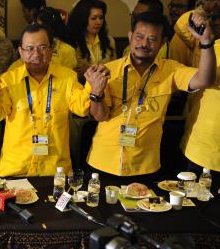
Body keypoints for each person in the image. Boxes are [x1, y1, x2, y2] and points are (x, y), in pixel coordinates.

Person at [84, 11, 216, 177]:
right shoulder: (108, 70)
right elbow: (100, 116)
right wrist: (96, 93)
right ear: (130, 37)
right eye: (139, 37)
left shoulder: (171, 70)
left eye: (152, 39)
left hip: (145, 167)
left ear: (162, 43)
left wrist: (206, 42)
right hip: (103, 163)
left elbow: (205, 80)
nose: (144, 43)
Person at [0, 24, 89, 176]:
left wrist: (93, 85)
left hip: (55, 170)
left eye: (42, 47)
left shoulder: (68, 78)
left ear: (51, 50)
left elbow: (82, 108)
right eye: (29, 48)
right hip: (16, 169)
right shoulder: (9, 80)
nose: (36, 54)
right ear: (20, 52)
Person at [179, 0, 220, 178]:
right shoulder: (207, 45)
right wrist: (203, 9)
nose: (214, 22)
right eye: (212, 18)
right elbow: (182, 27)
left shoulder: (208, 45)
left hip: (211, 145)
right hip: (200, 142)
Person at [9, 7, 77, 70]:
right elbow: (15, 69)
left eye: (37, 25)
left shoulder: (67, 51)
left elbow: (67, 76)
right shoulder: (27, 46)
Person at [65, 0, 116, 78]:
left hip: (105, 83)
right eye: (93, 18)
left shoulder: (109, 40)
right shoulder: (71, 41)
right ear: (82, 19)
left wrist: (90, 70)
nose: (98, 22)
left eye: (101, 18)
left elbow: (115, 69)